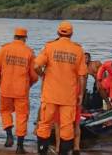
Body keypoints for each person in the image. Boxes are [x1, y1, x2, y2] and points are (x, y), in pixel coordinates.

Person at [35, 21, 87, 155]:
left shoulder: (49, 46)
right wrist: (80, 94)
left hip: (50, 94)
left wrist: (43, 75)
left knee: (45, 124)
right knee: (67, 128)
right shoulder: (78, 50)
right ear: (72, 34)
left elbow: (36, 66)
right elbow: (82, 76)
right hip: (68, 97)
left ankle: (42, 152)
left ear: (58, 32)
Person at [0, 27, 38, 154]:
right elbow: (34, 75)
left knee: (5, 111)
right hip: (21, 90)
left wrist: (0, 81)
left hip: (5, 88)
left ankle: (9, 136)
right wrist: (29, 85)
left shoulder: (4, 49)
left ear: (14, 36)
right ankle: (20, 147)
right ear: (25, 38)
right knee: (22, 116)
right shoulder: (29, 52)